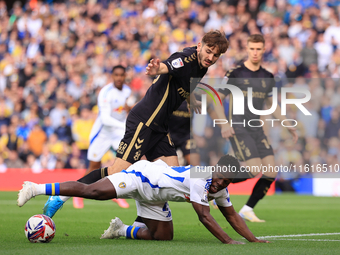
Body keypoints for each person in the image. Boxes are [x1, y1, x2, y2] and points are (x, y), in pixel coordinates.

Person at [43, 30, 229, 218]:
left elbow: (186, 83)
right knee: (116, 171)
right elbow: (168, 66)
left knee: (171, 174)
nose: (211, 57)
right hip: (145, 121)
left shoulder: (202, 66)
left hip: (160, 126)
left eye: (216, 55)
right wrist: (157, 69)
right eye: (208, 51)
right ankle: (60, 196)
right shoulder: (186, 58)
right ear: (199, 46)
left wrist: (191, 101)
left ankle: (146, 221)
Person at [18, 154, 268, 244]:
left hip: (156, 197)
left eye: (227, 182)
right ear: (215, 168)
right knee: (94, 191)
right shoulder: (200, 176)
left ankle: (121, 230)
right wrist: (228, 242)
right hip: (143, 176)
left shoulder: (220, 187)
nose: (221, 183)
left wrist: (253, 240)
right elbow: (204, 216)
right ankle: (35, 187)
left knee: (163, 236)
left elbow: (232, 215)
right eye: (221, 177)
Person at [210, 34, 298, 222]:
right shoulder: (235, 73)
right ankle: (214, 188)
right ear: (247, 49)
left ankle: (247, 209)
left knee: (271, 172)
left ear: (264, 49)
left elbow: (271, 104)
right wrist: (224, 123)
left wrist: (287, 124)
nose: (255, 52)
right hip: (239, 127)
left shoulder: (267, 76)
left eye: (258, 49)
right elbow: (218, 99)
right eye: (252, 49)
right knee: (254, 168)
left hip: (257, 129)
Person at [45, 65, 131, 212]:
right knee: (93, 167)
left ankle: (118, 193)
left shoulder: (128, 91)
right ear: (112, 76)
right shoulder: (105, 92)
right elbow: (104, 119)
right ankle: (78, 194)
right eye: (116, 75)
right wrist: (124, 126)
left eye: (121, 75)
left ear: (125, 76)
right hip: (102, 133)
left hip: (117, 133)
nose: (119, 78)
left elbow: (126, 109)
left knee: (124, 163)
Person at [168, 101, 200, 166]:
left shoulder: (198, 96)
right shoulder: (169, 94)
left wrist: (198, 134)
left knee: (196, 168)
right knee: (171, 168)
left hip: (186, 136)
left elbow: (205, 114)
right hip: (167, 135)